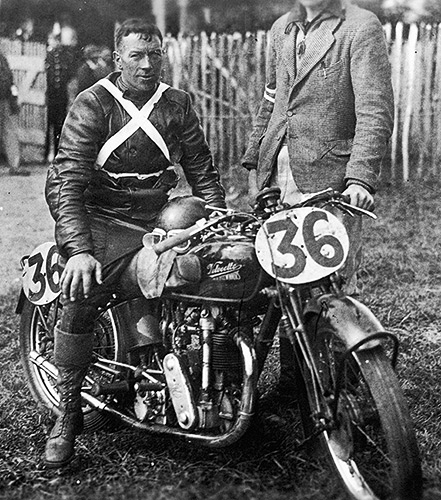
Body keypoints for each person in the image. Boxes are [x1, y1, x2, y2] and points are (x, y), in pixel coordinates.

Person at [44, 18, 225, 468]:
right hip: (99, 214)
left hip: (154, 213)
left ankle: (198, 370)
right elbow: (67, 182)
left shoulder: (178, 103)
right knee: (84, 290)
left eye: (155, 55)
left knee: (210, 261)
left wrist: (216, 219)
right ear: (117, 57)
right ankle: (67, 412)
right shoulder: (93, 103)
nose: (147, 65)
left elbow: (202, 170)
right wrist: (79, 250)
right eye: (136, 56)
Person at [242, 0, 394, 397]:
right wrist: (256, 156)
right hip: (279, 175)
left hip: (329, 178)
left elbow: (375, 109)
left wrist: (359, 178)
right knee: (286, 280)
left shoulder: (360, 27)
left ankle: (347, 387)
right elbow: (273, 100)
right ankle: (296, 386)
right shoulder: (282, 28)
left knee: (332, 281)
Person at [45, 32, 78, 159]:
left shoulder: (65, 56)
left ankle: (57, 153)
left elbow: (69, 74)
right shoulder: (48, 55)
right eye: (51, 40)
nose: (52, 43)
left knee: (60, 124)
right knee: (47, 124)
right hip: (50, 94)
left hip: (61, 95)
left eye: (54, 40)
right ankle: (45, 153)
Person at [0, 50, 29, 176]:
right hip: (4, 96)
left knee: (9, 130)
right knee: (9, 130)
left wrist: (12, 96)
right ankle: (14, 164)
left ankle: (15, 164)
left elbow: (8, 79)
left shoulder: (2, 58)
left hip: (4, 98)